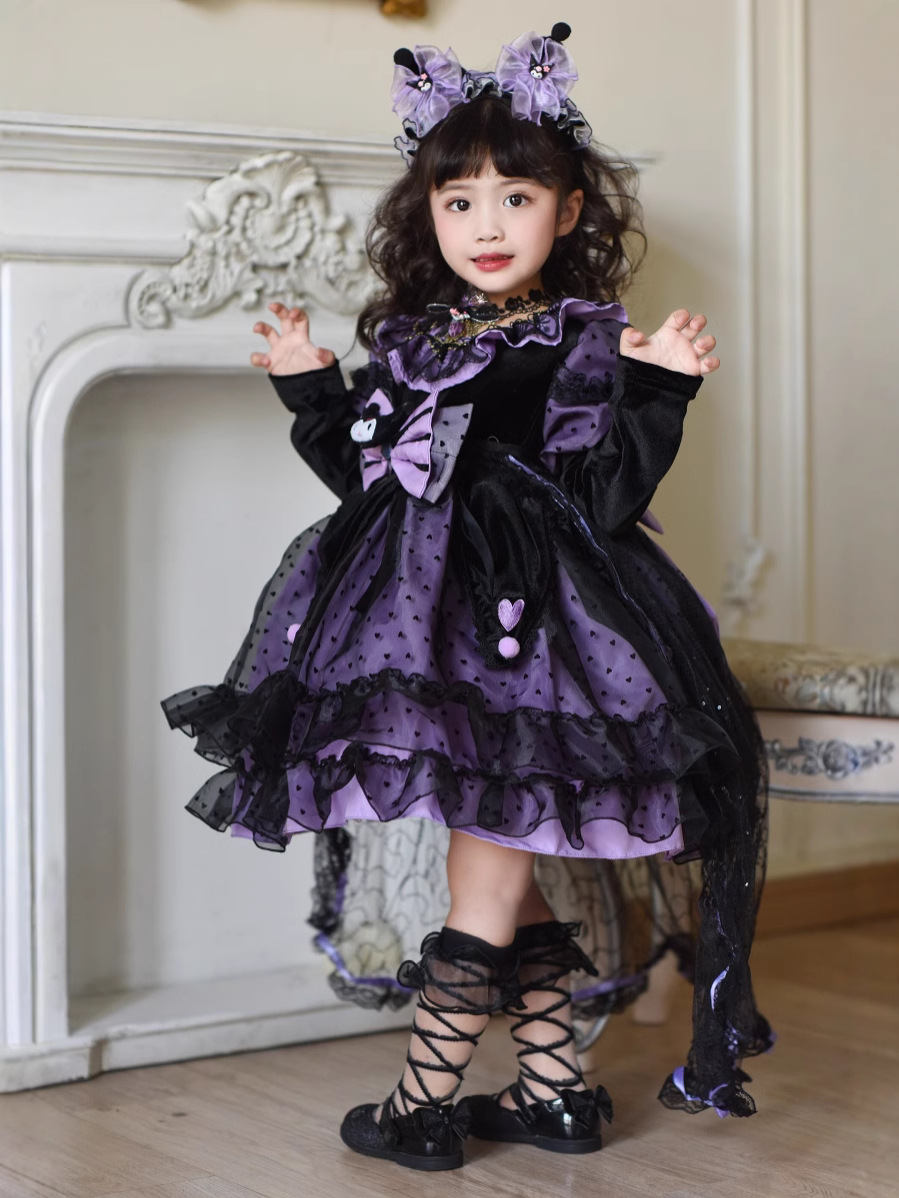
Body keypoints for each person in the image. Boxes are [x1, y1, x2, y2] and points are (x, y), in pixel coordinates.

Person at [162, 23, 773, 1173]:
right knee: (500, 860)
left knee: (482, 869)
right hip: (425, 635)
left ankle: (422, 1101)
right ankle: (554, 1092)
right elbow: (371, 479)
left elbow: (601, 496)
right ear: (427, 213)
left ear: (568, 211)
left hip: (529, 633)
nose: (485, 224)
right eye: (458, 202)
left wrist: (657, 391)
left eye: (515, 197)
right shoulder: (418, 339)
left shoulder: (580, 340)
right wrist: (311, 388)